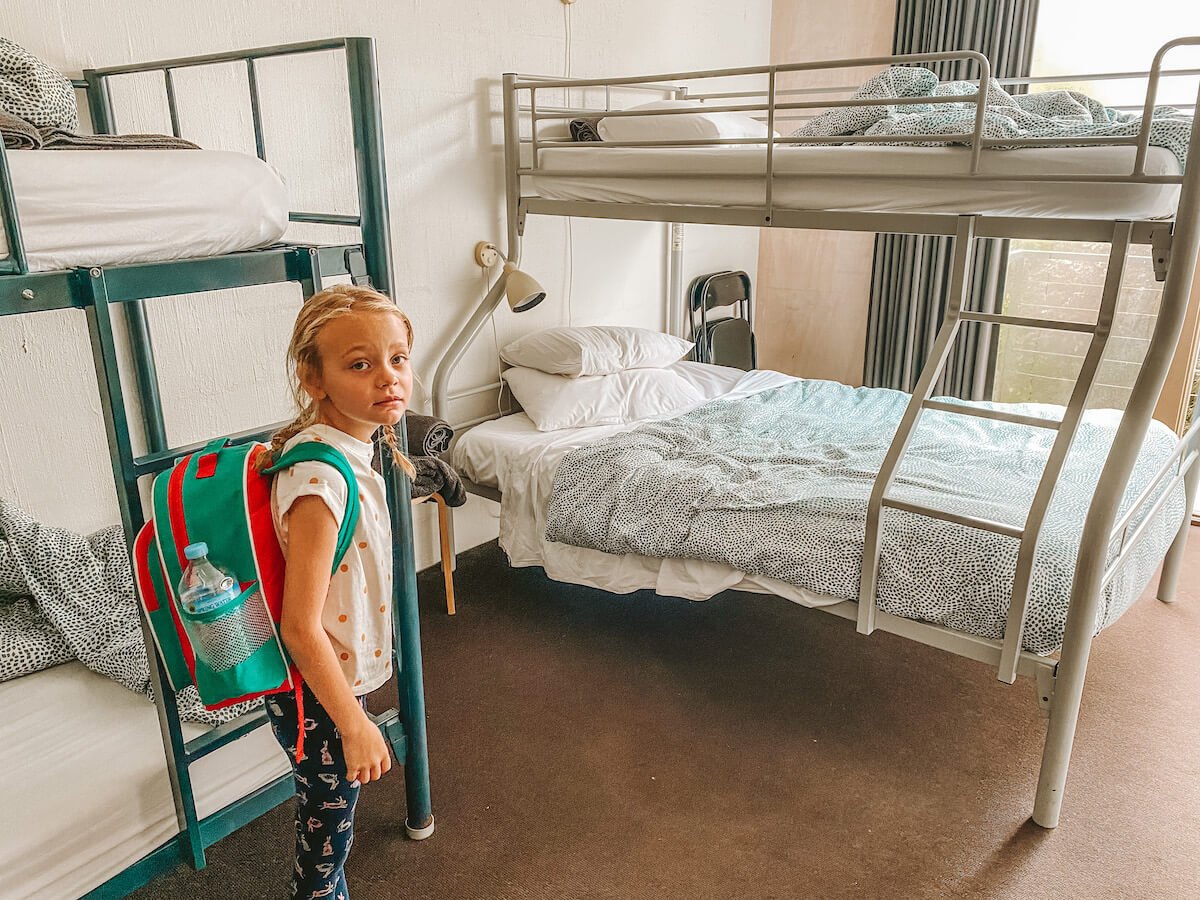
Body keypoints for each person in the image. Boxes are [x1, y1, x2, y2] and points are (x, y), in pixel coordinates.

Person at [260, 283, 416, 900]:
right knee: (324, 847)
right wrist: (354, 722)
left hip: (327, 688)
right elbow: (298, 624)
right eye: (360, 364)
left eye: (397, 359)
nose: (388, 378)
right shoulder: (321, 479)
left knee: (331, 823)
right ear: (314, 377)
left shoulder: (346, 453)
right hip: (321, 695)